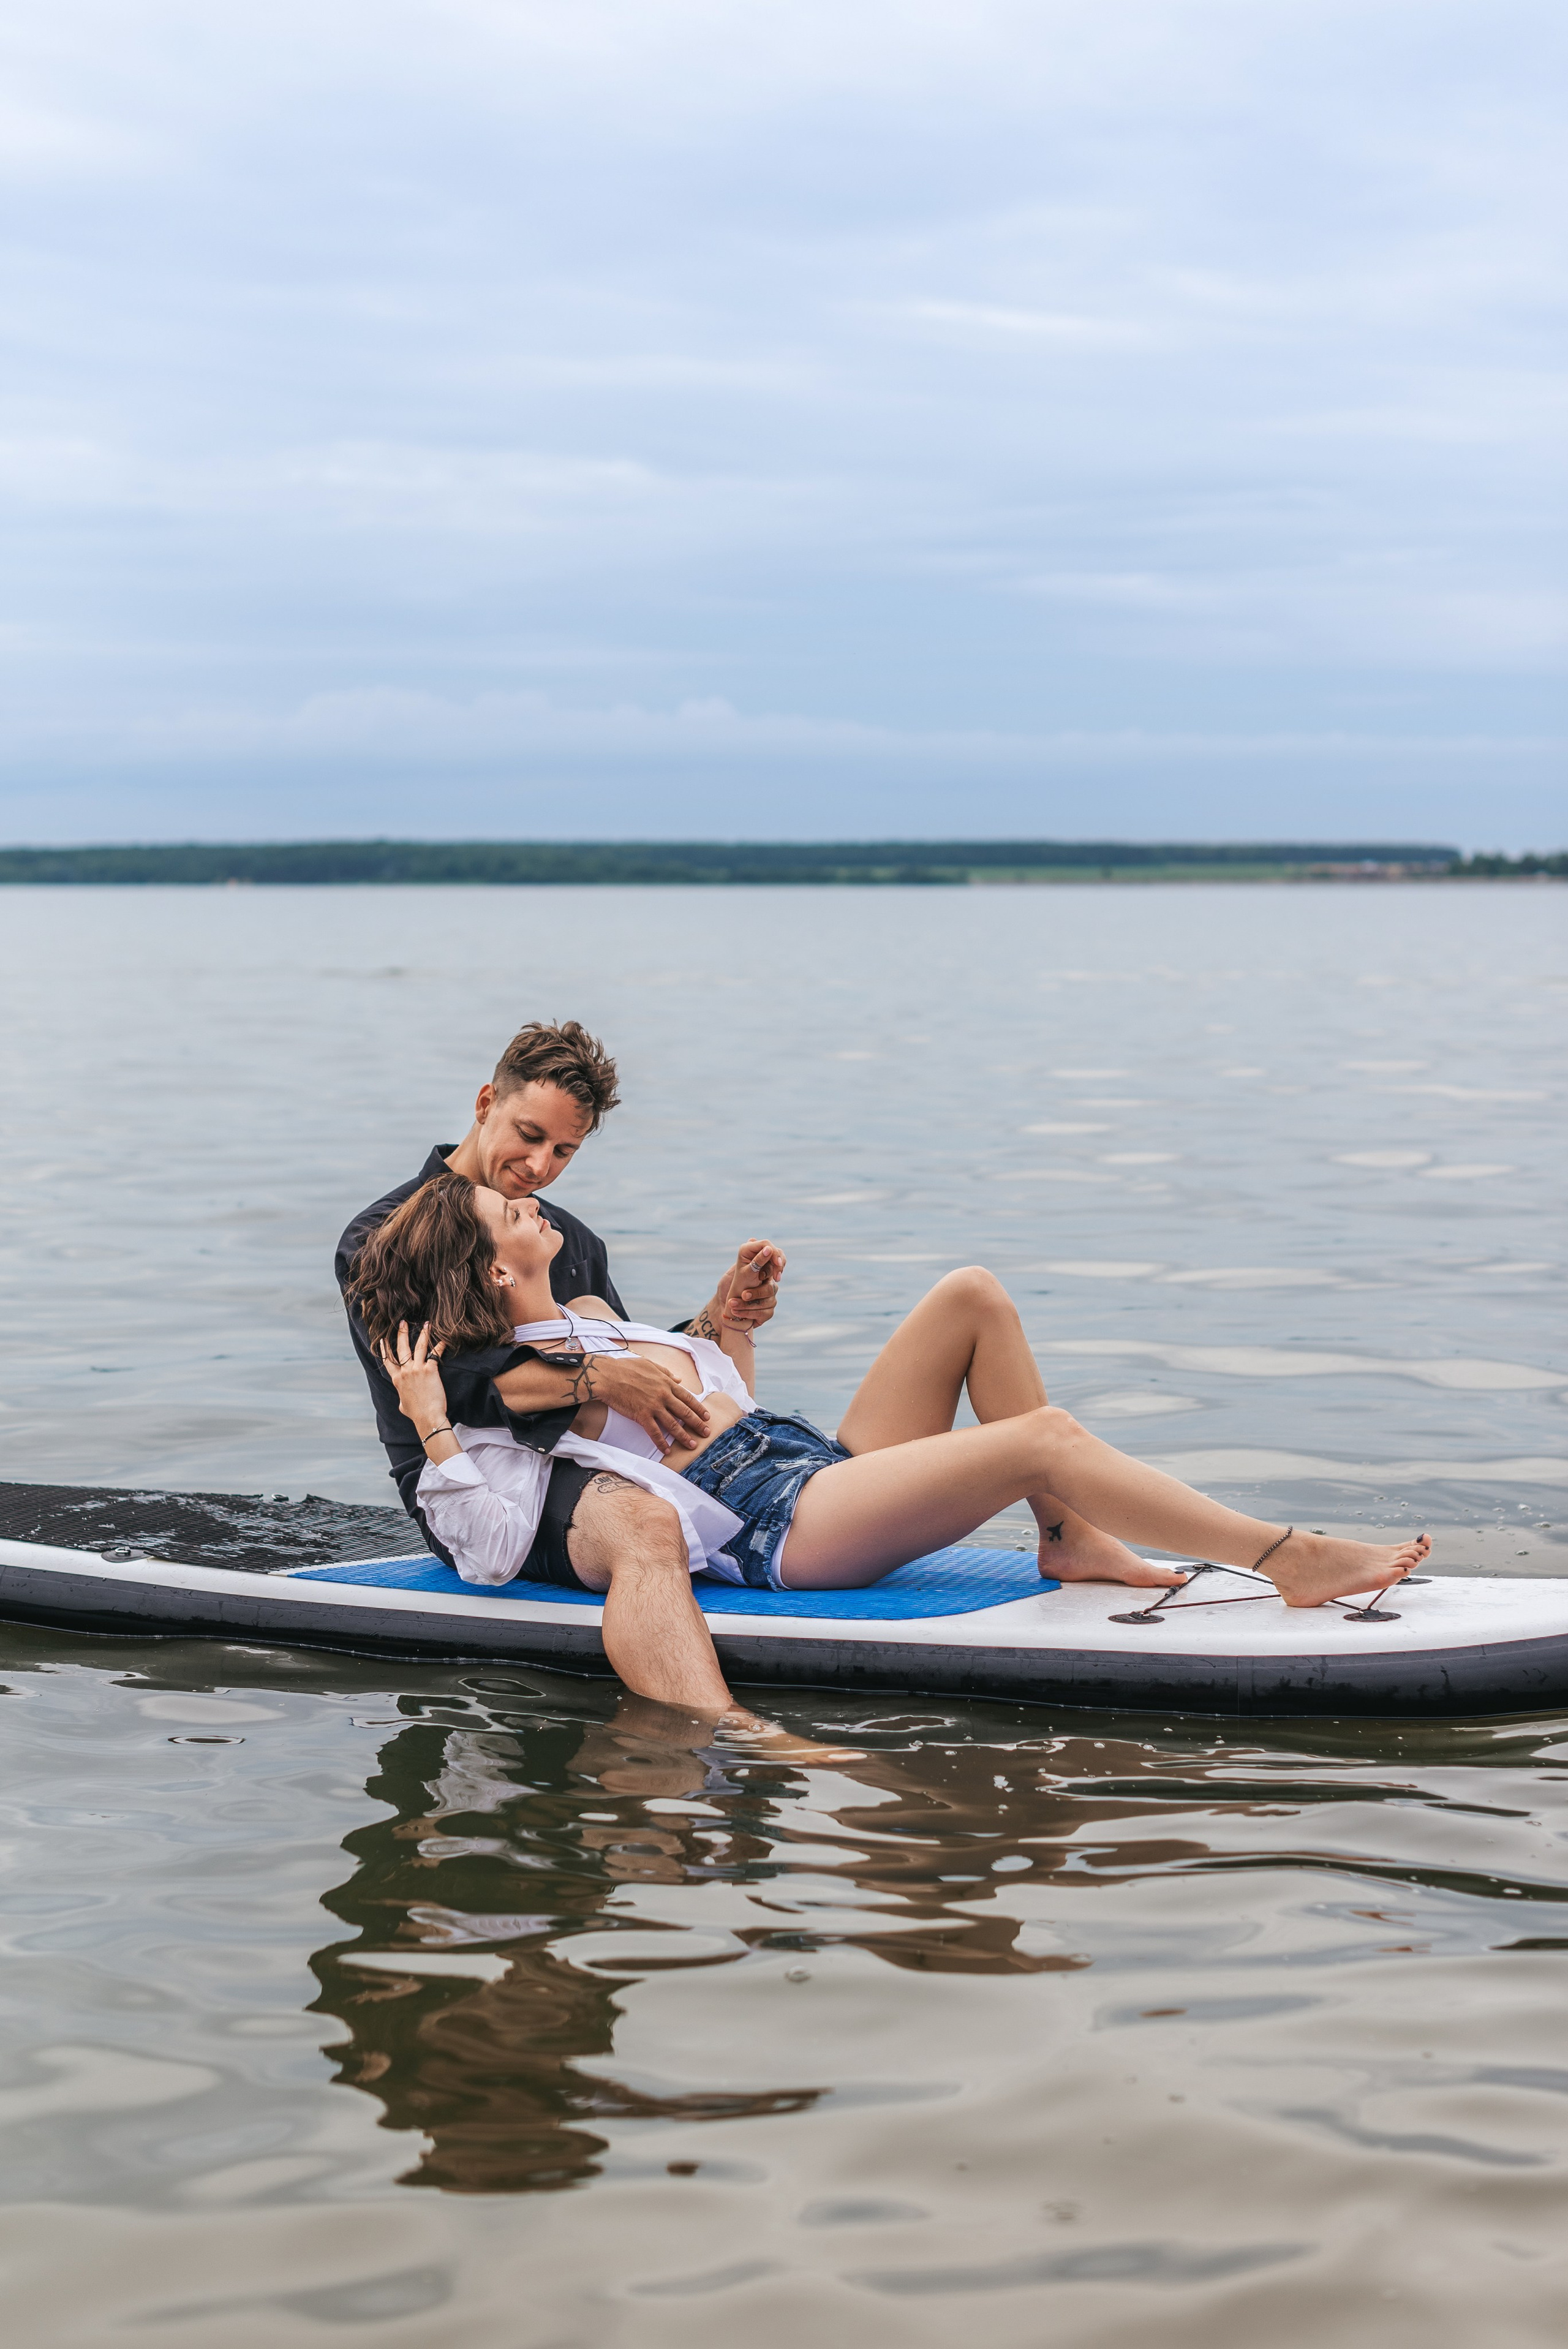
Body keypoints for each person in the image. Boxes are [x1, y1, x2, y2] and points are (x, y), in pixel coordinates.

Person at [352, 1172, 1431, 1719]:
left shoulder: (595, 1310)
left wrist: (726, 1323)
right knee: (1040, 1437)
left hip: (808, 1461)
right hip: (784, 1527)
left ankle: (1072, 1539)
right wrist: (450, 1424)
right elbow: (473, 1437)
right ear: (495, 1272)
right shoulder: (522, 1380)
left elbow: (713, 1407)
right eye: (514, 1204)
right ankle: (1285, 1559)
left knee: (972, 1296)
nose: (536, 1196)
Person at [334, 1017, 782, 1599]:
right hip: (470, 1482)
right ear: (485, 1101)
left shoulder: (573, 1242)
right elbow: (450, 1382)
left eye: (564, 1150)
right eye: (529, 1133)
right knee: (647, 1523)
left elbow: (632, 1366)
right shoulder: (381, 1236)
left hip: (600, 1461)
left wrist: (720, 1316)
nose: (541, 1166)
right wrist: (601, 1379)